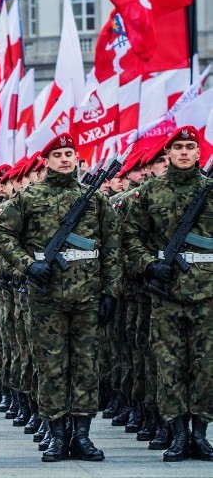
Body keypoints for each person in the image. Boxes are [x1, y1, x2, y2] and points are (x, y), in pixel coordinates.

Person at [0, 133, 121, 463]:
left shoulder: (94, 200)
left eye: (70, 153)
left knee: (86, 367)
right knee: (50, 367)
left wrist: (110, 292)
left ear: (77, 159)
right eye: (58, 154)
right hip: (46, 297)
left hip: (87, 297)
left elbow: (112, 248)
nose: (65, 159)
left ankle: (82, 436)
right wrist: (27, 265)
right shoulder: (30, 197)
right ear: (46, 161)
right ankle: (56, 435)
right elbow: (2, 236)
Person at [123, 126, 213, 462]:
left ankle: (201, 435)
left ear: (199, 153)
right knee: (170, 367)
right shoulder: (150, 192)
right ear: (169, 153)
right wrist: (148, 265)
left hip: (207, 294)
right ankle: (177, 435)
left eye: (191, 147)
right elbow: (130, 239)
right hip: (167, 293)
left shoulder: (210, 190)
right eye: (179, 147)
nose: (185, 152)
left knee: (206, 368)